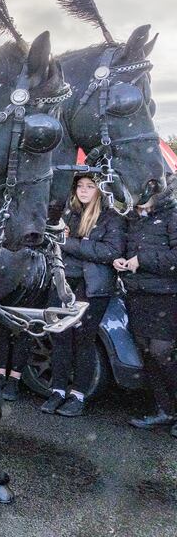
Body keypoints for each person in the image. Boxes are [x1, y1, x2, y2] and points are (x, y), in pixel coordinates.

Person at [40, 174, 124, 417]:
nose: (83, 191)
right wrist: (75, 243)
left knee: (83, 340)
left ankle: (78, 395)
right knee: (60, 338)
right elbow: (52, 245)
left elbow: (110, 251)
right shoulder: (68, 215)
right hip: (62, 284)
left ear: (99, 190)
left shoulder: (111, 217)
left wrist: (69, 243)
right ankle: (57, 390)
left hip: (92, 288)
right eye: (80, 186)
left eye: (90, 186)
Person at [115, 181, 177, 439]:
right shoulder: (132, 219)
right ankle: (165, 410)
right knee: (147, 352)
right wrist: (118, 260)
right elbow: (125, 250)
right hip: (137, 294)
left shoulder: (171, 216)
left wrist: (142, 260)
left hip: (165, 296)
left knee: (163, 353)